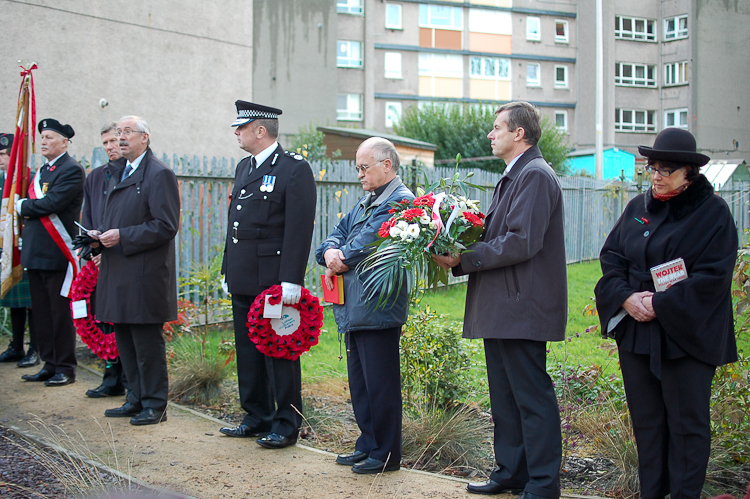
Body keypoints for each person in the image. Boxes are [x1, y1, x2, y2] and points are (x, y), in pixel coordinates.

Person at [594, 128, 737, 499]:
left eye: (666, 170)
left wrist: (658, 304)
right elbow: (612, 258)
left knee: (687, 426)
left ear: (689, 172)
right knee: (648, 424)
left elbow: (714, 277)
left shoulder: (713, 213)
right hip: (638, 333)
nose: (656, 176)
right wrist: (626, 298)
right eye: (652, 168)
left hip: (686, 334)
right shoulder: (639, 206)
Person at [433, 102, 566, 498]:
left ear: (519, 134)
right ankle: (512, 473)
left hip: (522, 306)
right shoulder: (516, 175)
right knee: (505, 397)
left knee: (530, 397)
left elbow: (522, 241)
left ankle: (543, 484)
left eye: (496, 128)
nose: (490, 135)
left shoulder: (535, 176)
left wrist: (465, 259)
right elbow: (500, 235)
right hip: (506, 305)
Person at [219, 100, 317, 449]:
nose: (236, 133)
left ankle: (286, 422)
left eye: (241, 128)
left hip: (273, 279)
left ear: (260, 130)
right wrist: (226, 269)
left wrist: (291, 278)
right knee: (247, 349)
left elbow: (299, 227)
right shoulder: (245, 166)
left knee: (279, 350)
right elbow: (235, 225)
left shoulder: (293, 168)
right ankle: (255, 414)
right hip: (243, 274)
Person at [315, 137, 413, 474]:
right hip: (355, 307)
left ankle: (386, 454)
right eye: (357, 168)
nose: (359, 173)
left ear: (387, 165)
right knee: (361, 384)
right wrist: (330, 253)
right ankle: (368, 444)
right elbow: (333, 239)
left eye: (363, 167)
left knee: (380, 385)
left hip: (378, 308)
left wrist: (338, 255)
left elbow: (357, 247)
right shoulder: (367, 201)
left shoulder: (399, 203)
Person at [92, 115, 180, 426]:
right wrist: (99, 237)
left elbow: (165, 226)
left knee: (146, 343)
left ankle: (155, 405)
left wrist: (122, 236)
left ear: (145, 137)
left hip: (144, 274)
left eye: (128, 132)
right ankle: (135, 398)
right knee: (125, 340)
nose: (120, 138)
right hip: (119, 269)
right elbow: (119, 215)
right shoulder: (122, 172)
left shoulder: (158, 174)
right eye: (118, 133)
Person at [16, 119, 85, 387]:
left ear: (64, 142)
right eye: (42, 137)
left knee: (59, 313)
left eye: (49, 137)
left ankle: (65, 366)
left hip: (56, 253)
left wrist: (23, 205)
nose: (43, 142)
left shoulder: (71, 170)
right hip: (35, 253)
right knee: (41, 314)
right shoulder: (43, 170)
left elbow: (52, 203)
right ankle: (49, 362)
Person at [80, 123, 127, 398]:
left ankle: (129, 379)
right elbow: (87, 220)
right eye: (106, 142)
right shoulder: (95, 177)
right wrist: (93, 252)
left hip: (123, 259)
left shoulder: (133, 173)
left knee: (122, 321)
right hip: (99, 260)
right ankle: (111, 377)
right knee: (103, 320)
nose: (110, 147)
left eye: (114, 141)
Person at [0, 132, 37, 367]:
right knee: (13, 300)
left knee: (32, 302)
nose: (1, 158)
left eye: (5, 154)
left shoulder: (29, 179)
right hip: (7, 248)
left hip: (27, 247)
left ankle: (36, 347)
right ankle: (16, 346)